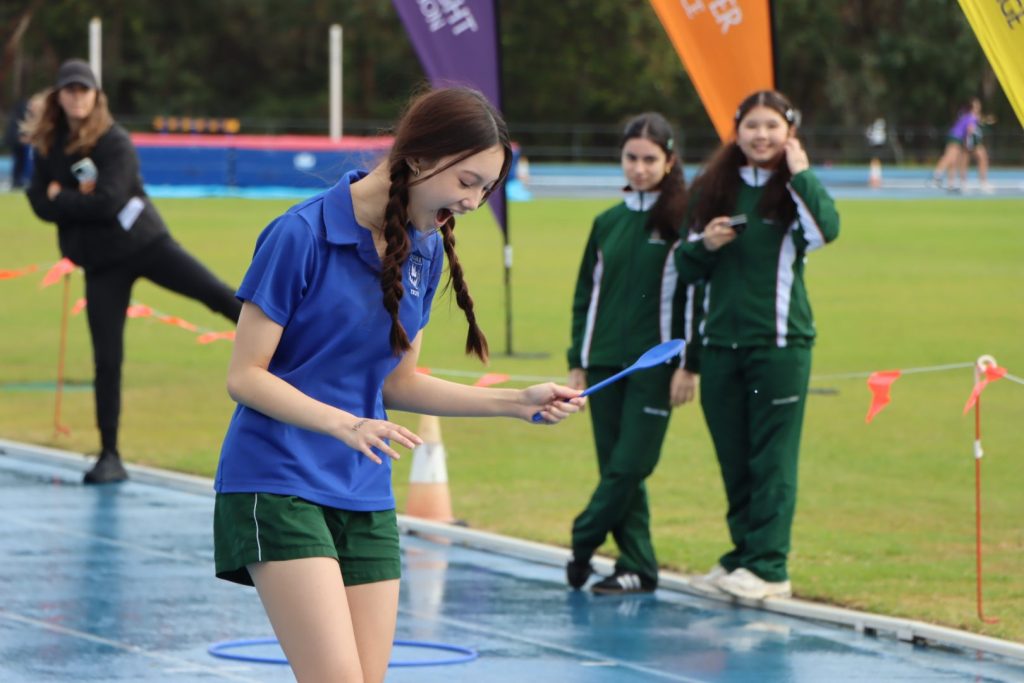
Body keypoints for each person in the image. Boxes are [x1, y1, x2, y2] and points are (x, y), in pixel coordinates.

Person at [212, 87, 584, 683]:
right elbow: (245, 376)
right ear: (417, 157)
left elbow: (399, 383)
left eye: (486, 189)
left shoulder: (424, 250)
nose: (473, 202)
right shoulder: (298, 235)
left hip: (363, 489)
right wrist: (344, 423)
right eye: (466, 181)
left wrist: (517, 401)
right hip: (277, 479)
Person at [24, 59, 242, 484]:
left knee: (215, 293)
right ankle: (110, 455)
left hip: (145, 245)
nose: (77, 97)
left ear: (96, 96)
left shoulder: (114, 141)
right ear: (58, 96)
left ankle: (289, 346)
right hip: (100, 264)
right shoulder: (49, 145)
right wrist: (65, 201)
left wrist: (61, 198)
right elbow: (36, 202)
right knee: (107, 359)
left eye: (84, 89)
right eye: (69, 90)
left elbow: (106, 201)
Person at [676, 90, 839, 601]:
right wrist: (707, 244)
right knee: (735, 458)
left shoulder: (794, 188)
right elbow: (684, 267)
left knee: (772, 459)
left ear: (790, 132)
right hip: (720, 346)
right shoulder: (711, 187)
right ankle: (744, 555)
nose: (761, 135)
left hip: (780, 345)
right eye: (752, 125)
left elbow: (826, 231)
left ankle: (770, 567)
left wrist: (801, 173)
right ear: (737, 130)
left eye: (772, 126)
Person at [565, 112, 699, 595]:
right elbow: (586, 296)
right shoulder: (606, 223)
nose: (639, 168)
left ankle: (582, 538)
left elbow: (695, 297)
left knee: (629, 467)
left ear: (669, 161)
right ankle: (638, 566)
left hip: (657, 365)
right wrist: (578, 361)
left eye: (649, 159)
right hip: (603, 363)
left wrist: (689, 364)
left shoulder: (684, 221)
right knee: (616, 470)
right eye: (631, 158)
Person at [928, 98, 980, 191]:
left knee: (953, 161)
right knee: (949, 157)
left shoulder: (964, 113)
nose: (978, 108)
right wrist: (968, 144)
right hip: (956, 137)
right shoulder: (972, 117)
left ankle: (950, 184)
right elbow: (969, 131)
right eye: (977, 106)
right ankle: (936, 177)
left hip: (953, 135)